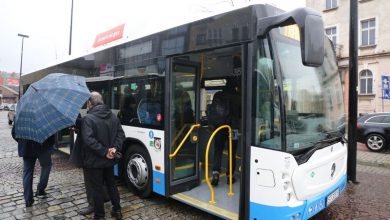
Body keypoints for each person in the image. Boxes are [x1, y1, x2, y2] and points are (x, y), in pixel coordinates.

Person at [81, 91, 125, 220]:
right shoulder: (112, 116)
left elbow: (89, 141)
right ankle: (117, 211)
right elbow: (121, 135)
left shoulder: (88, 118)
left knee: (97, 188)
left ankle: (100, 216)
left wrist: (105, 151)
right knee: (111, 184)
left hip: (95, 161)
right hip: (109, 160)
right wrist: (113, 150)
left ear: (90, 103)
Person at [69, 114, 110, 216]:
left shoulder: (87, 118)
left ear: (90, 104)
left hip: (90, 155)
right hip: (103, 153)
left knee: (90, 181)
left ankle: (93, 204)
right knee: (100, 179)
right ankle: (104, 197)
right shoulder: (107, 115)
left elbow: (86, 132)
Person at [11, 124, 55, 207]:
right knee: (46, 166)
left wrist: (22, 142)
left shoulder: (21, 114)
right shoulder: (43, 112)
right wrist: (50, 144)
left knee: (27, 172)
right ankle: (41, 189)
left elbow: (14, 133)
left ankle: (28, 199)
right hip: (43, 146)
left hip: (27, 147)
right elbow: (51, 131)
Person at [209, 78, 241, 186]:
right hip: (234, 128)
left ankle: (215, 174)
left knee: (218, 150)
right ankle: (229, 176)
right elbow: (241, 114)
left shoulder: (218, 95)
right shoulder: (238, 98)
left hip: (219, 127)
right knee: (232, 152)